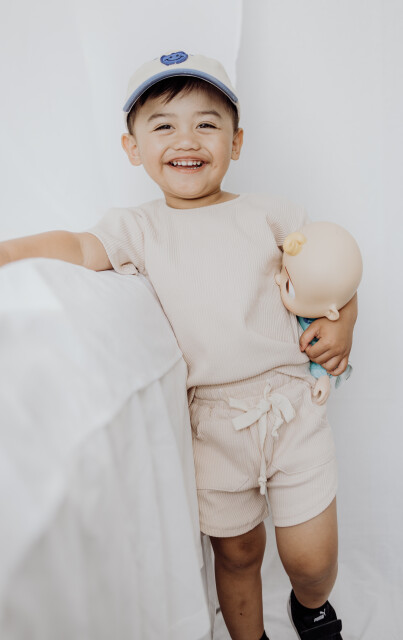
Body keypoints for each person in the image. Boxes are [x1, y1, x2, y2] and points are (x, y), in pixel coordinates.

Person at [0, 51, 356, 640]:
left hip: (291, 406)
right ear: (132, 147)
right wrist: (11, 252)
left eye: (206, 123)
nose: (186, 139)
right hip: (211, 422)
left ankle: (311, 604)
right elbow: (77, 247)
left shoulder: (273, 216)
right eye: (163, 125)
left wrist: (344, 323)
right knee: (237, 552)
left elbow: (335, 275)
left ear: (236, 142)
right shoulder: (136, 228)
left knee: (312, 558)